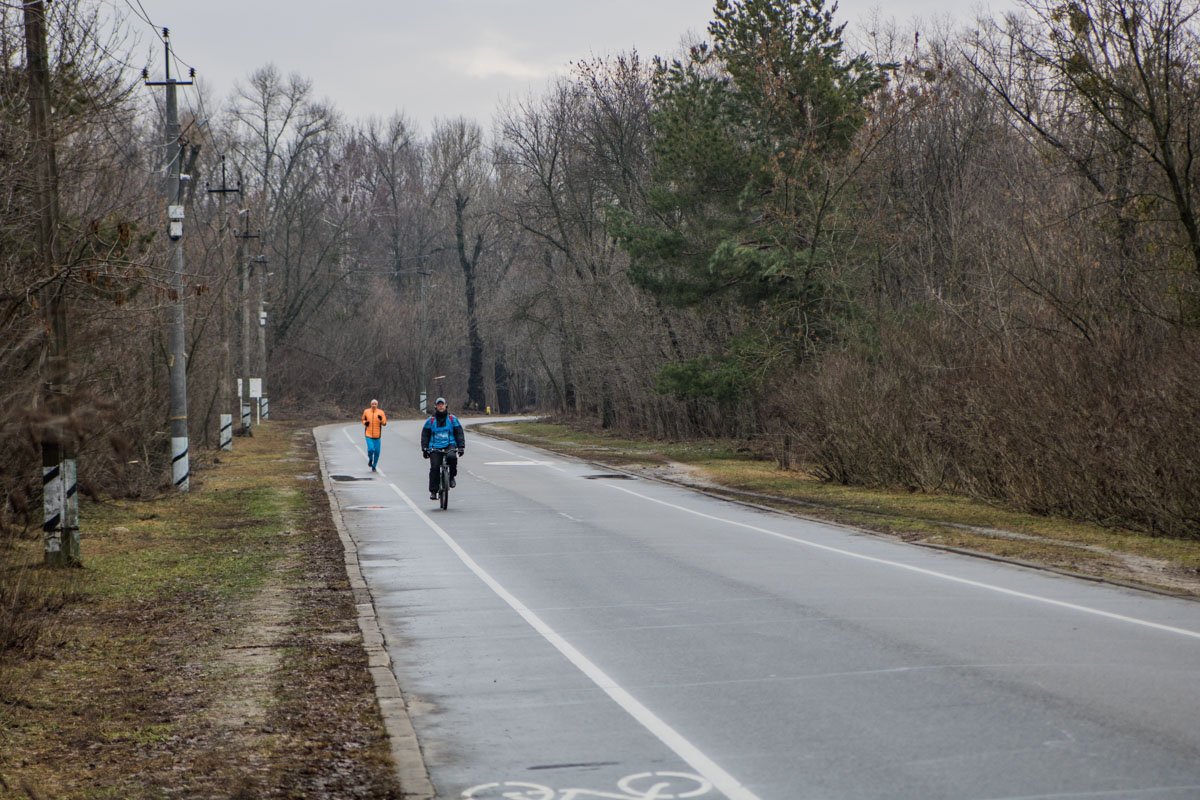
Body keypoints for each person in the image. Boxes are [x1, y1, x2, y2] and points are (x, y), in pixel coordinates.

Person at [421, 397, 465, 500]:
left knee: (452, 457)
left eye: (442, 404)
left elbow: (459, 433)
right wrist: (425, 448)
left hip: (450, 444)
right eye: (439, 405)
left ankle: (451, 477)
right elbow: (425, 435)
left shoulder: (452, 419)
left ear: (446, 406)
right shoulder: (431, 420)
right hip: (435, 446)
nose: (441, 406)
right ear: (436, 407)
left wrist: (461, 447)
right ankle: (433, 491)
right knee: (435, 467)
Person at [361, 399, 387, 471]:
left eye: (375, 404)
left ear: (377, 404)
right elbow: (363, 419)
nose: (374, 405)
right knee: (371, 449)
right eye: (373, 404)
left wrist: (381, 419)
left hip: (377, 436)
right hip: (368, 434)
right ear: (370, 404)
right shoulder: (366, 411)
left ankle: (374, 466)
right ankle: (370, 459)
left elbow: (384, 423)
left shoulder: (381, 412)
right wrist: (365, 423)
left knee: (377, 452)